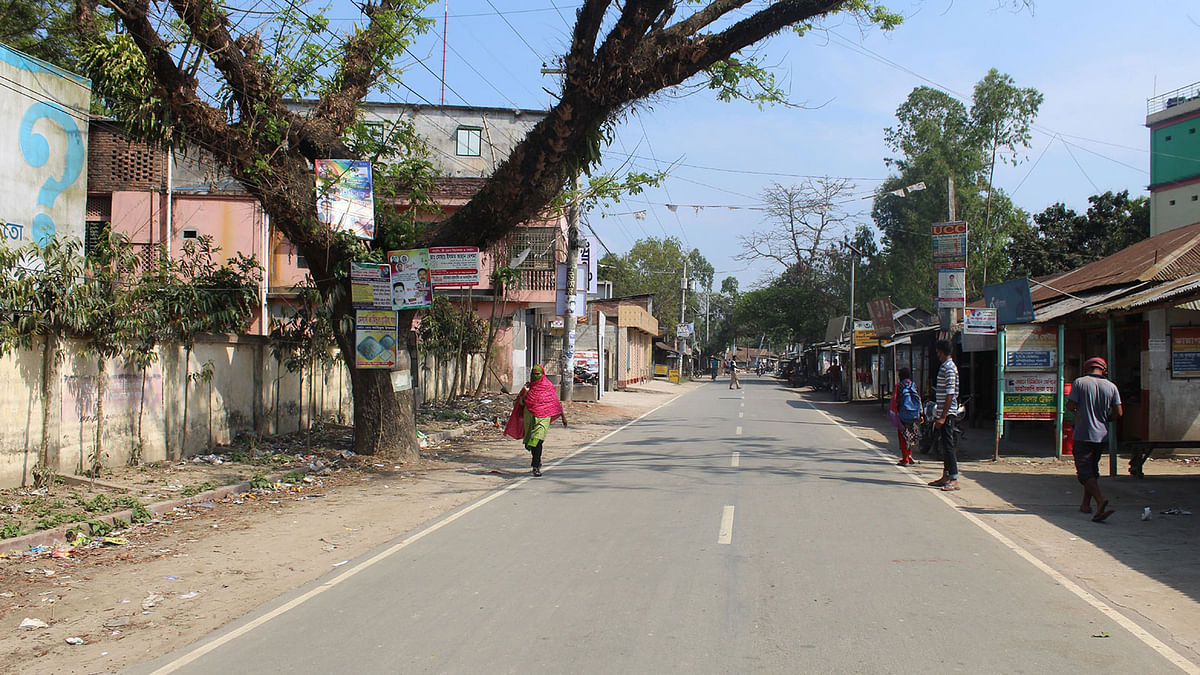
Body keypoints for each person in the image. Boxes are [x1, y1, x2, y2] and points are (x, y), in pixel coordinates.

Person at [1067, 356, 1122, 522]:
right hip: (1102, 436)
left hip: (1083, 434)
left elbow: (1070, 405)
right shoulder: (1112, 386)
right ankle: (1085, 504)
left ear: (1086, 368)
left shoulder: (1079, 383)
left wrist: (1080, 413)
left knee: (1084, 473)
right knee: (1092, 470)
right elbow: (1118, 412)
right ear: (1104, 370)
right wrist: (1105, 420)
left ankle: (1100, 501)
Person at [510, 364, 568, 476]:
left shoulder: (548, 386)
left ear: (542, 374)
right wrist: (525, 394)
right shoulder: (528, 387)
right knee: (532, 441)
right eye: (533, 374)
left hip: (544, 417)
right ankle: (537, 460)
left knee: (538, 439)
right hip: (530, 416)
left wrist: (563, 417)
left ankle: (535, 466)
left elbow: (555, 403)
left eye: (537, 374)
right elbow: (520, 403)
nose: (535, 376)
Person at [928, 340, 961, 491]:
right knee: (944, 444)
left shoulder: (949, 368)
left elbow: (950, 393)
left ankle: (954, 478)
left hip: (947, 413)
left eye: (938, 352)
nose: (938, 355)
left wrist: (943, 416)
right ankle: (946, 475)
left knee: (948, 446)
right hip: (942, 410)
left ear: (942, 352)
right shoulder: (945, 367)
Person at [890, 367, 922, 466]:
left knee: (903, 436)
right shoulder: (914, 385)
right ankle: (910, 455)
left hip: (902, 415)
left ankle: (905, 459)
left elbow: (894, 401)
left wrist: (894, 415)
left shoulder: (899, 386)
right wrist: (921, 414)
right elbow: (919, 400)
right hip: (913, 415)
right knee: (911, 435)